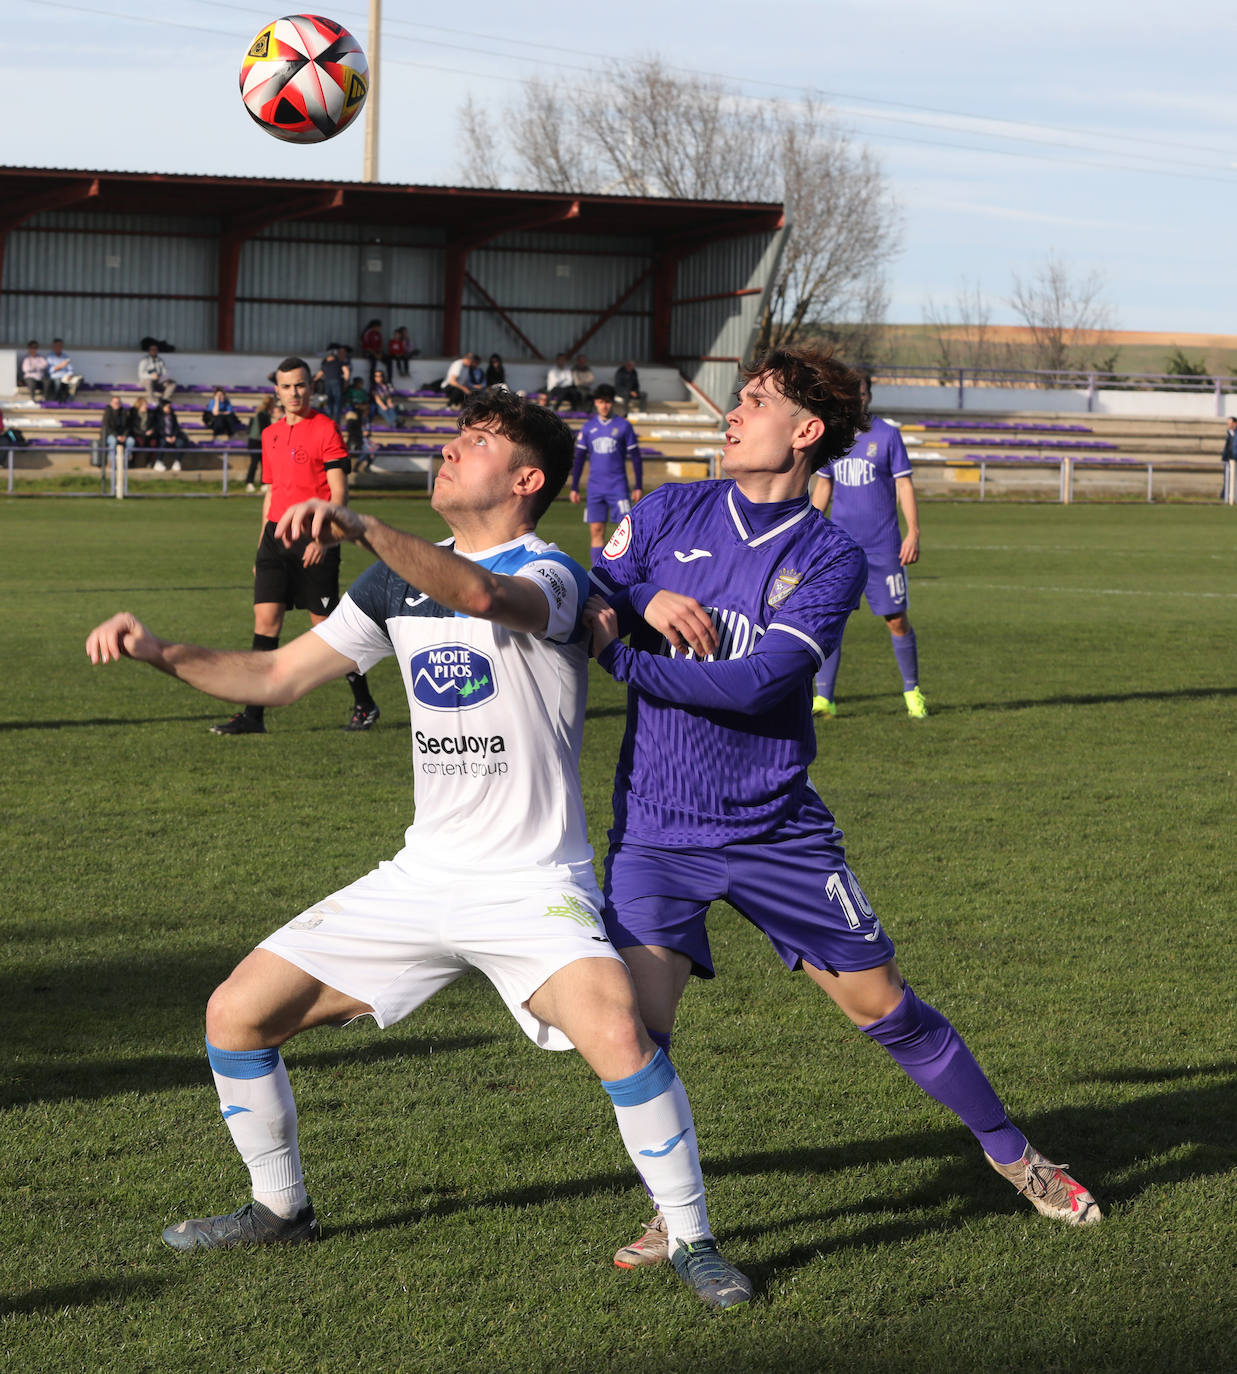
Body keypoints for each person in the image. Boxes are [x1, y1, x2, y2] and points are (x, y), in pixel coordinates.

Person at [83, 390, 751, 1312]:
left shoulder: (555, 573)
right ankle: (280, 1209)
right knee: (236, 1014)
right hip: (422, 876)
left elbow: (481, 595)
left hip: (531, 885)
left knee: (616, 1030)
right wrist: (161, 652)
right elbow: (277, 676)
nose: (448, 450)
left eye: (474, 443)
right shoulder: (391, 585)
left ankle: (692, 1240)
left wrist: (360, 523)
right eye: (453, 436)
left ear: (524, 481)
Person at [584, 344, 1101, 1269]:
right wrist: (641, 593)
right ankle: (677, 1214)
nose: (731, 415)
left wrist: (621, 657)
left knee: (888, 1012)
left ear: (805, 431)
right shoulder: (666, 510)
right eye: (736, 399)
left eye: (753, 402)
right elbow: (590, 586)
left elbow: (757, 686)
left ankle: (1016, 1158)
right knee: (637, 1039)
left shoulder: (829, 555)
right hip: (655, 830)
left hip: (776, 830)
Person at [207, 357, 379, 736]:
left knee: (329, 631)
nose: (294, 392)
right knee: (266, 623)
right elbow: (272, 495)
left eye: (300, 385)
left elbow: (339, 493)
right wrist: (260, 547)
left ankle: (364, 703)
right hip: (274, 540)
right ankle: (254, 715)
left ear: (310, 387)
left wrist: (325, 539)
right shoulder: (270, 434)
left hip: (315, 537)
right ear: (277, 391)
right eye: (286, 386)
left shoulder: (326, 429)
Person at [809, 373, 925, 720]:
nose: (855, 399)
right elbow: (823, 489)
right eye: (848, 394)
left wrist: (913, 532)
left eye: (859, 393)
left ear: (868, 396)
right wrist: (810, 531)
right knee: (832, 621)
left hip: (883, 547)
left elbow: (904, 486)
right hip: (841, 549)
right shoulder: (833, 436)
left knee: (896, 620)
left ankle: (912, 690)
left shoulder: (888, 436)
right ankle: (824, 698)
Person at [569, 384, 642, 562]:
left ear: (612, 403)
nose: (604, 406)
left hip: (618, 486)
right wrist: (574, 487)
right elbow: (579, 459)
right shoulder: (588, 428)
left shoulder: (624, 426)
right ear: (595, 403)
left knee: (625, 533)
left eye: (608, 402)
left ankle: (625, 575)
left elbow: (636, 457)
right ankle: (597, 576)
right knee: (596, 531)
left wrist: (638, 485)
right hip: (595, 488)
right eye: (601, 402)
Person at [245, 397, 279, 492]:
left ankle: (263, 483)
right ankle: (249, 482)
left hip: (259, 441)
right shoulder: (262, 414)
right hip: (256, 441)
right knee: (254, 463)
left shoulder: (264, 414)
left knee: (264, 463)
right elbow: (264, 430)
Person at [313, 345, 349, 424]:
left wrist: (313, 381)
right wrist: (346, 382)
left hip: (328, 382)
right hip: (336, 382)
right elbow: (346, 371)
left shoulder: (325, 364)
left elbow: (320, 374)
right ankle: (337, 422)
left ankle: (329, 421)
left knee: (330, 402)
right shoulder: (339, 362)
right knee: (337, 402)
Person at [152, 399, 189, 471]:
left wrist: (174, 436)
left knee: (180, 443)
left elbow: (176, 427)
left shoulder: (173, 416)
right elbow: (158, 429)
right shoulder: (157, 417)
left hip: (172, 437)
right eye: (167, 407)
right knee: (162, 443)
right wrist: (165, 437)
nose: (169, 408)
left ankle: (177, 462)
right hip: (162, 437)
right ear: (163, 407)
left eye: (170, 407)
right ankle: (158, 462)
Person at [99, 395, 133, 470]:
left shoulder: (124, 412)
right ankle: (113, 464)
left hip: (123, 435)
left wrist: (125, 436)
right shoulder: (108, 412)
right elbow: (107, 427)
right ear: (111, 403)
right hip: (111, 435)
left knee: (131, 441)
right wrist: (116, 436)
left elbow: (128, 426)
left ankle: (125, 463)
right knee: (113, 441)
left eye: (118, 402)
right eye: (115, 403)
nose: (116, 404)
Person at [126, 396, 160, 465]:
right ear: (139, 405)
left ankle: (150, 462)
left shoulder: (150, 414)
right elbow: (133, 427)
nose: (146, 406)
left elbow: (154, 425)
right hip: (138, 434)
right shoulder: (133, 414)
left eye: (146, 404)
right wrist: (143, 433)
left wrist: (152, 431)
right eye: (144, 405)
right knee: (138, 441)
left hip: (149, 435)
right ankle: (132, 461)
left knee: (154, 442)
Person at [1221, 417, 1236, 500]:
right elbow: (1227, 447)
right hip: (1229, 460)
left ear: (1235, 423)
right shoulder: (1229, 433)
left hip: (1234, 459)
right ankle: (1226, 496)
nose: (1228, 425)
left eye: (1230, 423)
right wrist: (1224, 458)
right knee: (1227, 478)